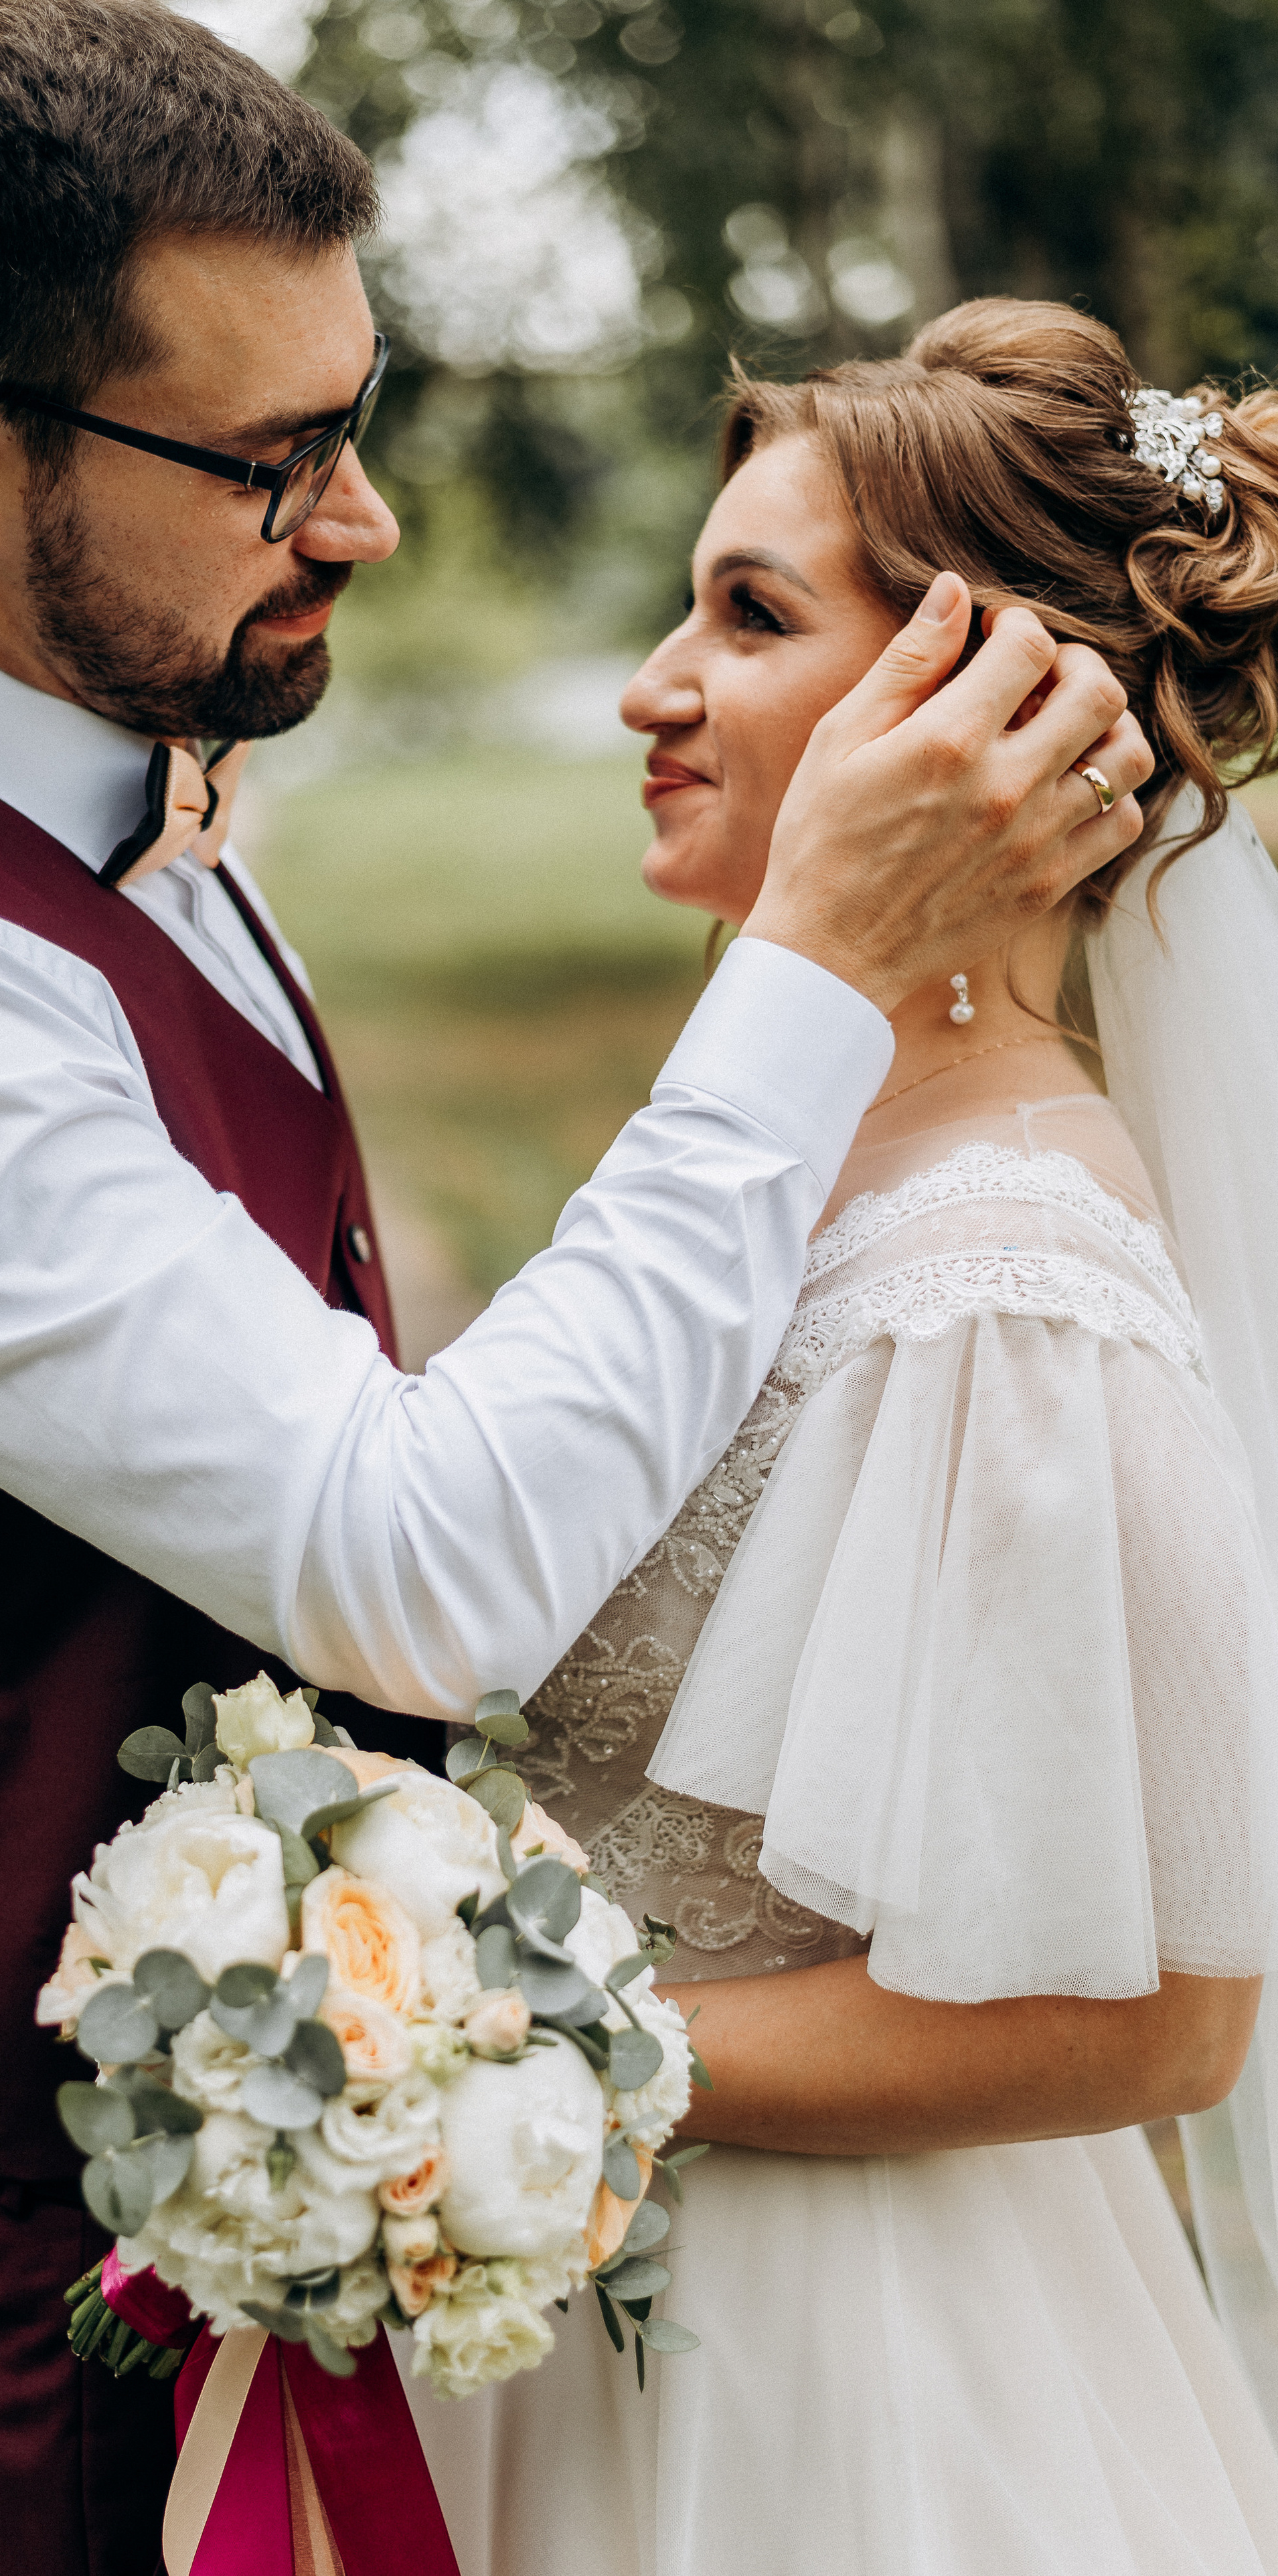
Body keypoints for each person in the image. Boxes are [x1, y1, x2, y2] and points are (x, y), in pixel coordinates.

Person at [0, 0, 1145, 2564]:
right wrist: (820, 962)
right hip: (73, 2326)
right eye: (274, 457)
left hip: (369, 2241)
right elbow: (420, 1567)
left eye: (361, 413)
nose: (367, 519)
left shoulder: (165, 795)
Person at [406, 297, 1278, 2576]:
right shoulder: (813, 1159)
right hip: (623, 2303)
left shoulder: (1010, 1268)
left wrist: (498, 2047)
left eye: (747, 612)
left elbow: (1166, 2019)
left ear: (979, 699)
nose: (648, 684)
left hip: (854, 2396)